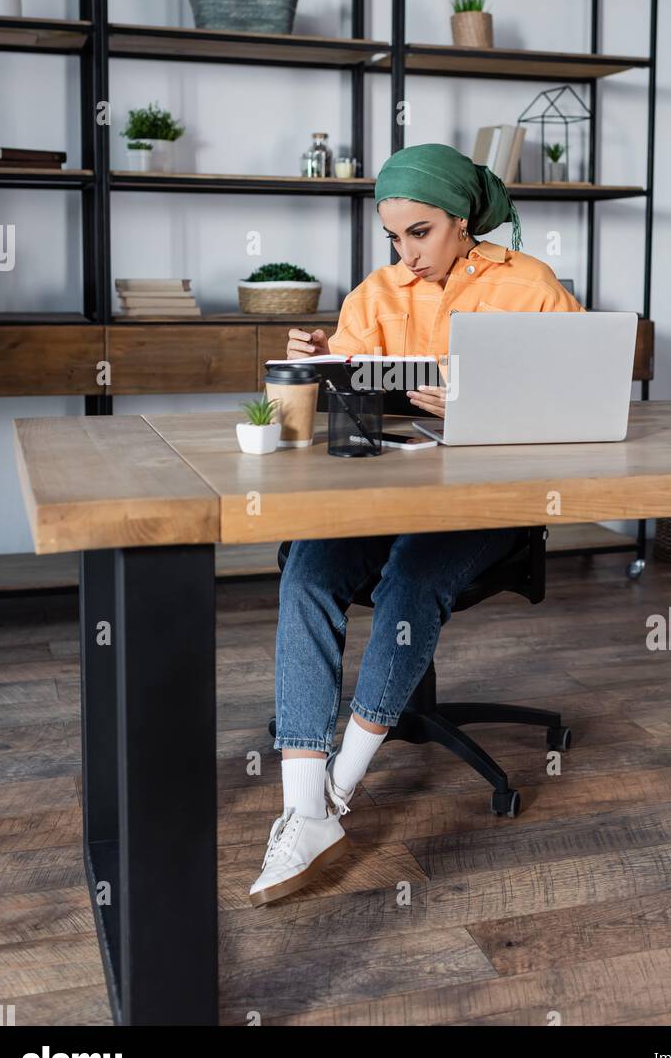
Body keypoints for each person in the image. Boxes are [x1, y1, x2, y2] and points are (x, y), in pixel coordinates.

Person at [249, 142, 584, 905]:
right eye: (394, 235)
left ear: (461, 221)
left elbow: (579, 411)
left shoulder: (529, 287)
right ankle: (303, 810)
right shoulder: (376, 294)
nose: (406, 252)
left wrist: (477, 408)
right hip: (383, 494)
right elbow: (346, 412)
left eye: (420, 232)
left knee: (409, 584)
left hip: (485, 503)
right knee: (307, 569)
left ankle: (336, 791)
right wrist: (317, 364)